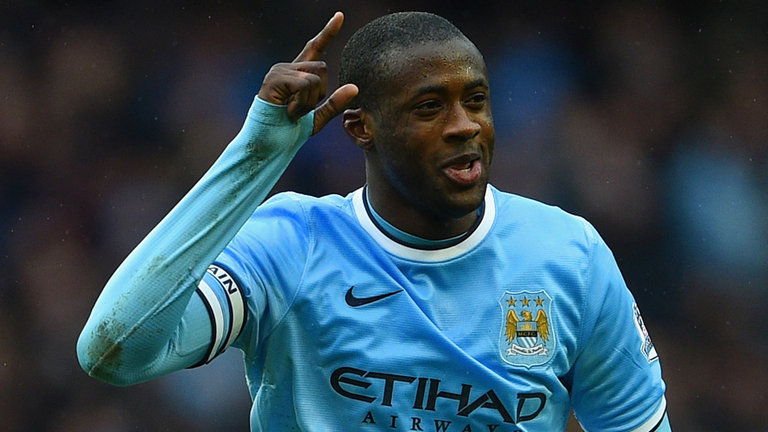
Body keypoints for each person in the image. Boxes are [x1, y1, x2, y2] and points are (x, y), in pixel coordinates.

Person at [78, 11, 671, 431]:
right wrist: (254, 158)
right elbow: (112, 352)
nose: (465, 125)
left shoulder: (569, 255)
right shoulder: (291, 245)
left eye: (476, 100)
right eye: (430, 107)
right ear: (361, 127)